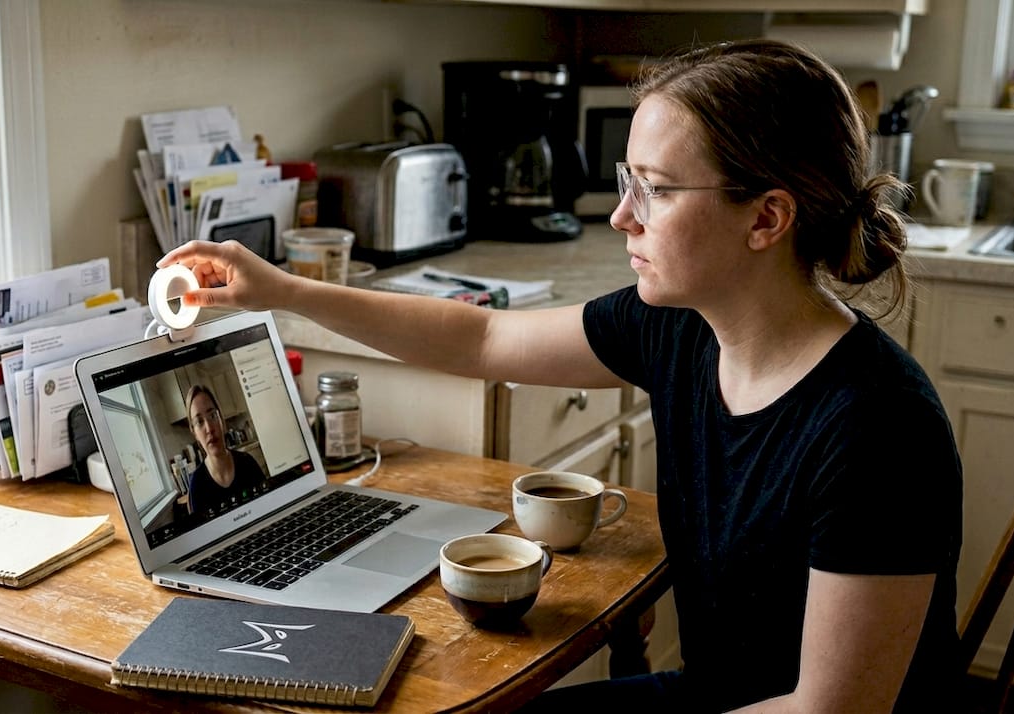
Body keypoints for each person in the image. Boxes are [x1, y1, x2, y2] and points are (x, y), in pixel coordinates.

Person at [157, 39, 962, 713]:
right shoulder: (679, 329)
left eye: (657, 189)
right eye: (627, 181)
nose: (622, 216)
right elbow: (480, 338)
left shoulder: (878, 428)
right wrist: (280, 289)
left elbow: (830, 713)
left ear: (766, 218)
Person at [184, 384, 267, 515]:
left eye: (212, 416)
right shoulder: (197, 485)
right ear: (194, 433)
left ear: (221, 418)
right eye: (199, 422)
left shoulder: (248, 463)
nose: (209, 428)